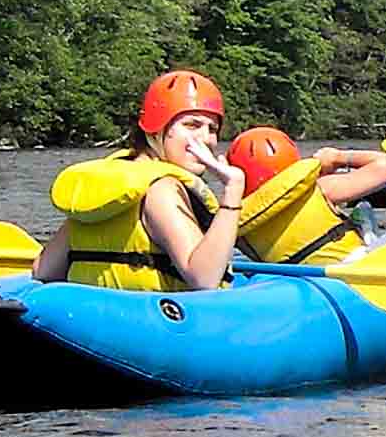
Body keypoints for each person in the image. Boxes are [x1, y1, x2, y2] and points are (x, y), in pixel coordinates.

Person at [33, 70, 247, 292]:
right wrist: (233, 190)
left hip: (92, 316)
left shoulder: (112, 183)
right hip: (152, 322)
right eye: (192, 125)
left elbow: (44, 270)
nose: (206, 139)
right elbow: (204, 279)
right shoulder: (161, 189)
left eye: (212, 129)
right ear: (156, 130)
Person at [223, 127, 386, 266]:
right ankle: (366, 233)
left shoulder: (232, 221)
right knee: (364, 208)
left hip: (304, 283)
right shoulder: (322, 189)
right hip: (355, 266)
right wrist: (338, 157)